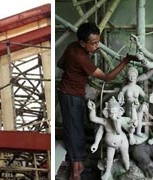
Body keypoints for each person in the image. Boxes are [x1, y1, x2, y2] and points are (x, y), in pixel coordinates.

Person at [57, 22, 136, 180]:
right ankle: (75, 171)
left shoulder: (73, 47)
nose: (97, 45)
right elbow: (107, 77)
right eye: (93, 43)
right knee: (74, 131)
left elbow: (60, 63)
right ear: (82, 43)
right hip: (71, 95)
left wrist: (75, 74)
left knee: (77, 126)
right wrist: (126, 61)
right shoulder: (80, 57)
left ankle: (77, 163)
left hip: (72, 92)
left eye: (98, 41)